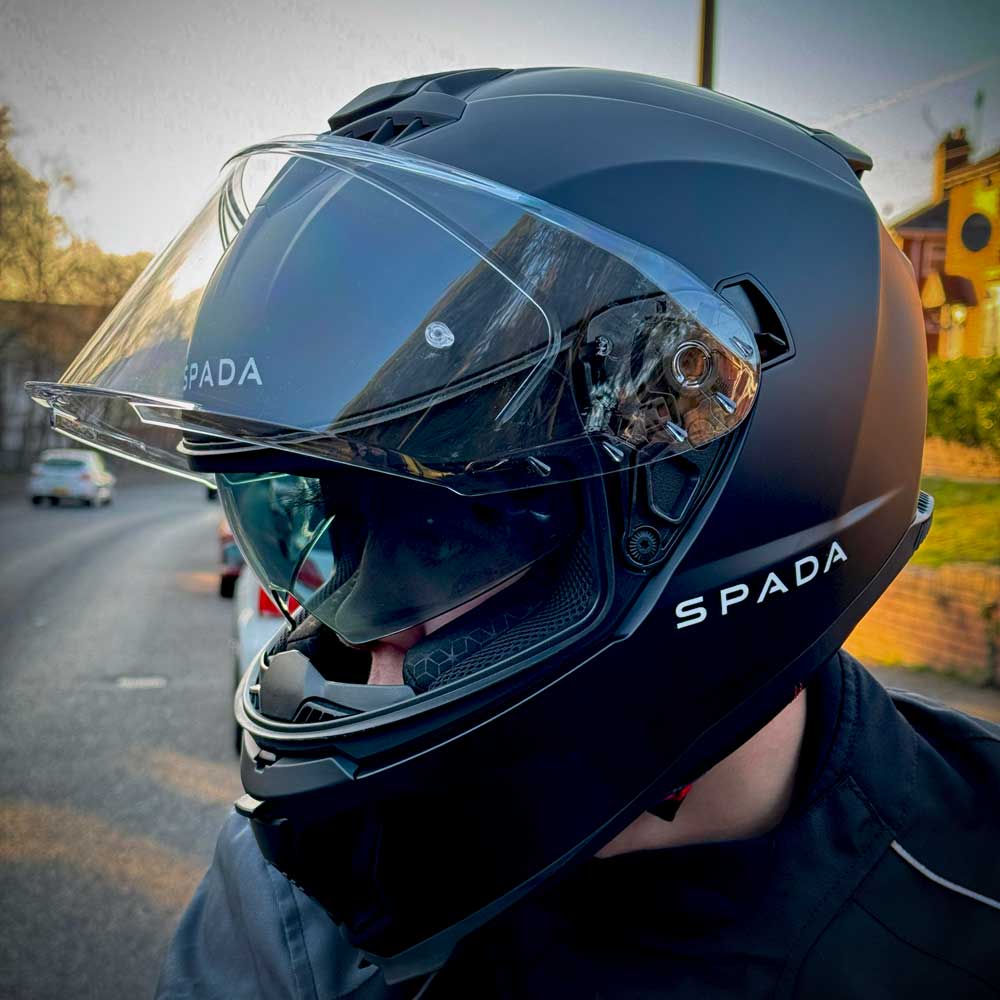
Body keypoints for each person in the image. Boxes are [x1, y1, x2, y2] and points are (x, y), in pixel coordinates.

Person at [28, 68, 1000, 998]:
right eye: (323, 528)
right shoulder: (310, 887)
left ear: (718, 517)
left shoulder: (964, 895)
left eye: (454, 528)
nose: (356, 640)